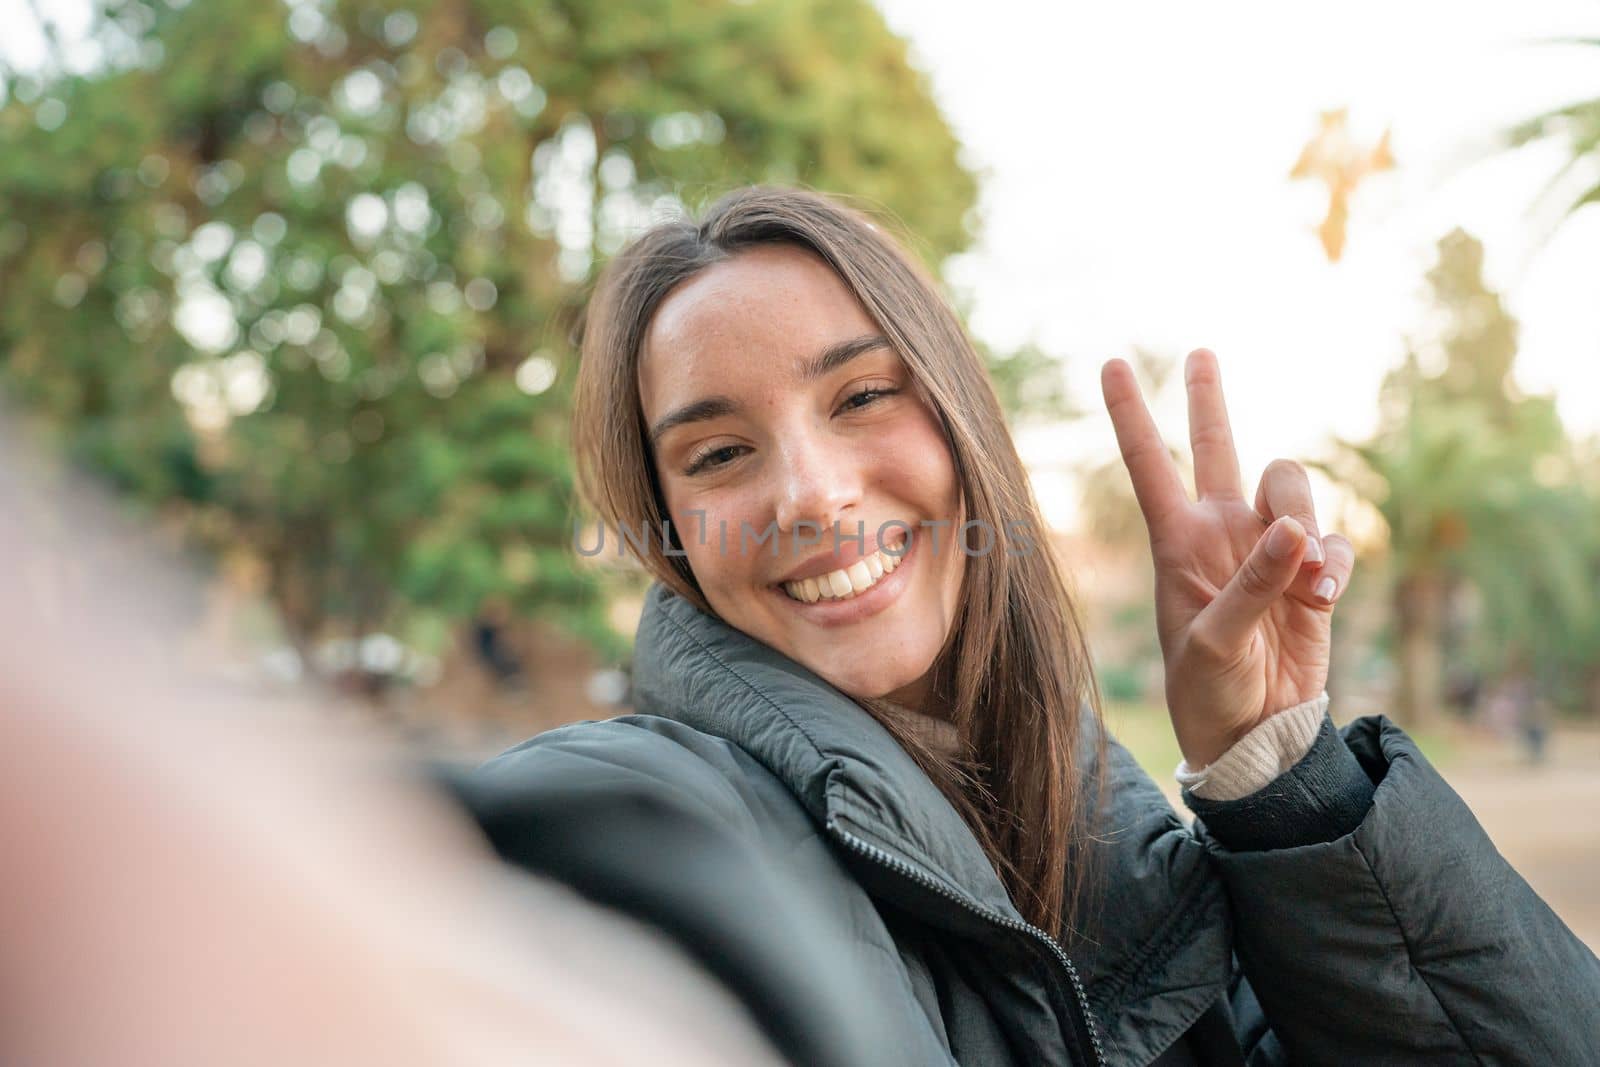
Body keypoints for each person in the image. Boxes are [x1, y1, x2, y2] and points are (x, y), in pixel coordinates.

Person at [448, 185, 1599, 1066]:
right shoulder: (655, 815)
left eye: (859, 396)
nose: (808, 494)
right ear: (670, 533)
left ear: (964, 425)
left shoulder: (1111, 831)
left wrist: (1278, 774)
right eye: (718, 454)